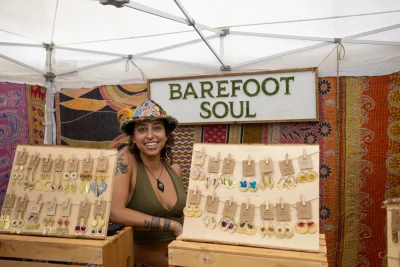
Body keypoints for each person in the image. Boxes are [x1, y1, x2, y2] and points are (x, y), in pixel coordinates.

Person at [110, 99, 187, 267]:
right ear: (134, 137)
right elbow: (115, 211)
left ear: (166, 135)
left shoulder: (175, 170)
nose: (150, 135)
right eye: (142, 129)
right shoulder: (126, 160)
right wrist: (170, 225)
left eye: (157, 128)